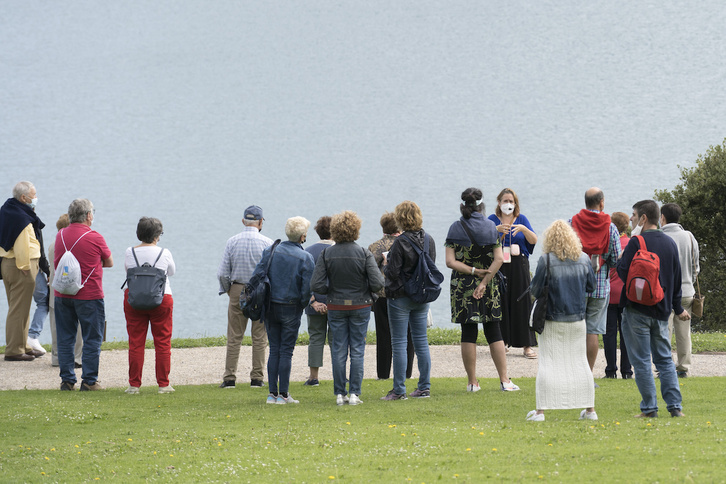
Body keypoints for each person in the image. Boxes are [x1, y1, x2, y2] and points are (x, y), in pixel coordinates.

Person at [617, 200, 687, 418]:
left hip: (637, 310)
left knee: (641, 362)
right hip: (662, 309)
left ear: (644, 219)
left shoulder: (636, 242)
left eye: (634, 215)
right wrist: (675, 307)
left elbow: (622, 273)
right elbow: (677, 281)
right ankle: (675, 407)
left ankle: (649, 408)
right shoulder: (670, 244)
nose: (631, 219)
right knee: (665, 359)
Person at [445, 187, 519, 392]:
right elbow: (498, 259)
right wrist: (484, 281)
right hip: (488, 284)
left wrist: (472, 270)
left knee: (468, 332)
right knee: (493, 330)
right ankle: (505, 380)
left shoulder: (454, 228)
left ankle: (472, 382)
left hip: (462, 285)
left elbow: (450, 262)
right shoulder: (490, 227)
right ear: (482, 205)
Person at [526, 220, 597, 422]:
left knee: (548, 363)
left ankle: (541, 411)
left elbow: (535, 290)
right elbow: (591, 287)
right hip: (577, 320)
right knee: (580, 363)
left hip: (552, 319)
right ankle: (590, 410)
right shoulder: (584, 259)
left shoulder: (546, 260)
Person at [311, 210, 383, 406]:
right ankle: (354, 394)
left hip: (336, 305)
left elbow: (316, 285)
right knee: (357, 349)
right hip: (360, 305)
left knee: (338, 349)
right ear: (356, 229)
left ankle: (339, 393)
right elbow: (378, 283)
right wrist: (366, 290)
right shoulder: (363, 253)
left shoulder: (326, 254)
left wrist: (330, 290)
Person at [54, 198, 113, 391]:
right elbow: (109, 261)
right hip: (89, 295)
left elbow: (57, 263)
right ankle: (88, 380)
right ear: (88, 215)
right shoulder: (95, 237)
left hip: (63, 294)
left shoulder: (60, 235)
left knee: (65, 338)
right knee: (92, 338)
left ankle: (67, 380)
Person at [257, 216, 315, 404]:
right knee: (286, 351)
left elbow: (258, 275)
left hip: (270, 305)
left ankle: (272, 394)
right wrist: (303, 304)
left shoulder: (270, 251)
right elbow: (307, 289)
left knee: (274, 349)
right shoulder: (306, 258)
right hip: (291, 307)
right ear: (303, 236)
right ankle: (283, 394)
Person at [382, 201, 435, 400]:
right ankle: (424, 387)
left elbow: (393, 273)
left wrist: (386, 263)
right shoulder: (429, 239)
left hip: (400, 297)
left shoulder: (400, 242)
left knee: (399, 343)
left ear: (400, 218)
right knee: (421, 342)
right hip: (422, 296)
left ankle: (399, 390)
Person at [217, 205, 272, 389]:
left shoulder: (232, 241)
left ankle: (229, 378)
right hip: (260, 290)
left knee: (234, 335)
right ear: (261, 222)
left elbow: (223, 273)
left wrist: (229, 291)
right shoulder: (267, 243)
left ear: (243, 221)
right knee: (259, 336)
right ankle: (257, 377)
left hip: (237, 288)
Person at [570, 187, 622, 376]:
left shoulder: (572, 223)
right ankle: (587, 375)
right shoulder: (610, 227)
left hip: (575, 287)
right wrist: (603, 259)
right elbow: (617, 259)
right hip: (600, 288)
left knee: (575, 330)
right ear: (601, 202)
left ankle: (573, 374)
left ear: (585, 202)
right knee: (592, 331)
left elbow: (565, 253)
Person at [123, 217, 176, 394]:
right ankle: (163, 384)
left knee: (136, 342)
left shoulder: (130, 252)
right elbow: (172, 272)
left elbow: (127, 270)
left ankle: (134, 385)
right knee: (162, 342)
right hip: (161, 299)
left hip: (134, 299)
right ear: (157, 235)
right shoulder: (164, 253)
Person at [488, 188, 538, 359]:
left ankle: (527, 344)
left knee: (523, 301)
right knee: (500, 300)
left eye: (511, 201)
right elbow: (485, 242)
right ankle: (502, 341)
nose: (508, 204)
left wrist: (523, 229)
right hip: (499, 263)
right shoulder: (492, 220)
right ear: (499, 202)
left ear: (515, 203)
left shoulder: (522, 219)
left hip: (519, 263)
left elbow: (534, 240)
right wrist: (498, 232)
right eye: (505, 201)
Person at [0, 181, 46, 361]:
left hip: (8, 264)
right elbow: (22, 245)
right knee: (18, 309)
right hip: (21, 266)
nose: (35, 198)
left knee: (20, 306)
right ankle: (14, 350)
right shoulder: (21, 217)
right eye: (33, 195)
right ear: (23, 198)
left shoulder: (7, 209)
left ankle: (23, 344)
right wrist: (25, 266)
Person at [368, 211, 414, 381]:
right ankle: (406, 372)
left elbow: (370, 273)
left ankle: (383, 373)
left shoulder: (375, 246)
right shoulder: (408, 243)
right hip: (404, 294)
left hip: (382, 295)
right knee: (407, 334)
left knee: (383, 334)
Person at [660, 202, 699, 379]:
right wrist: (689, 279)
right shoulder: (689, 236)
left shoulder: (660, 237)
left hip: (665, 292)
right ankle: (683, 367)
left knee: (664, 331)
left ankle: (665, 367)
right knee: (684, 332)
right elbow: (695, 265)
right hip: (686, 290)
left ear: (663, 217)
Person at [48, 214, 82, 367]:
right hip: (73, 290)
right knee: (77, 327)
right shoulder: (74, 244)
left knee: (56, 326)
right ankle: (76, 357)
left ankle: (56, 357)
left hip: (55, 290)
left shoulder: (52, 245)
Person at [303, 216, 334, 386]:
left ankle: (313, 377)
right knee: (338, 339)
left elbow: (304, 280)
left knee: (315, 338)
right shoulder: (340, 251)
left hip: (314, 302)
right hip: (336, 304)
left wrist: (312, 301)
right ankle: (339, 374)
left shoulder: (308, 251)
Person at [604, 212, 633, 379]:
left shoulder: (608, 243)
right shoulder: (630, 244)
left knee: (609, 334)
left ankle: (610, 370)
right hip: (625, 293)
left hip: (609, 293)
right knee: (626, 334)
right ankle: (627, 371)